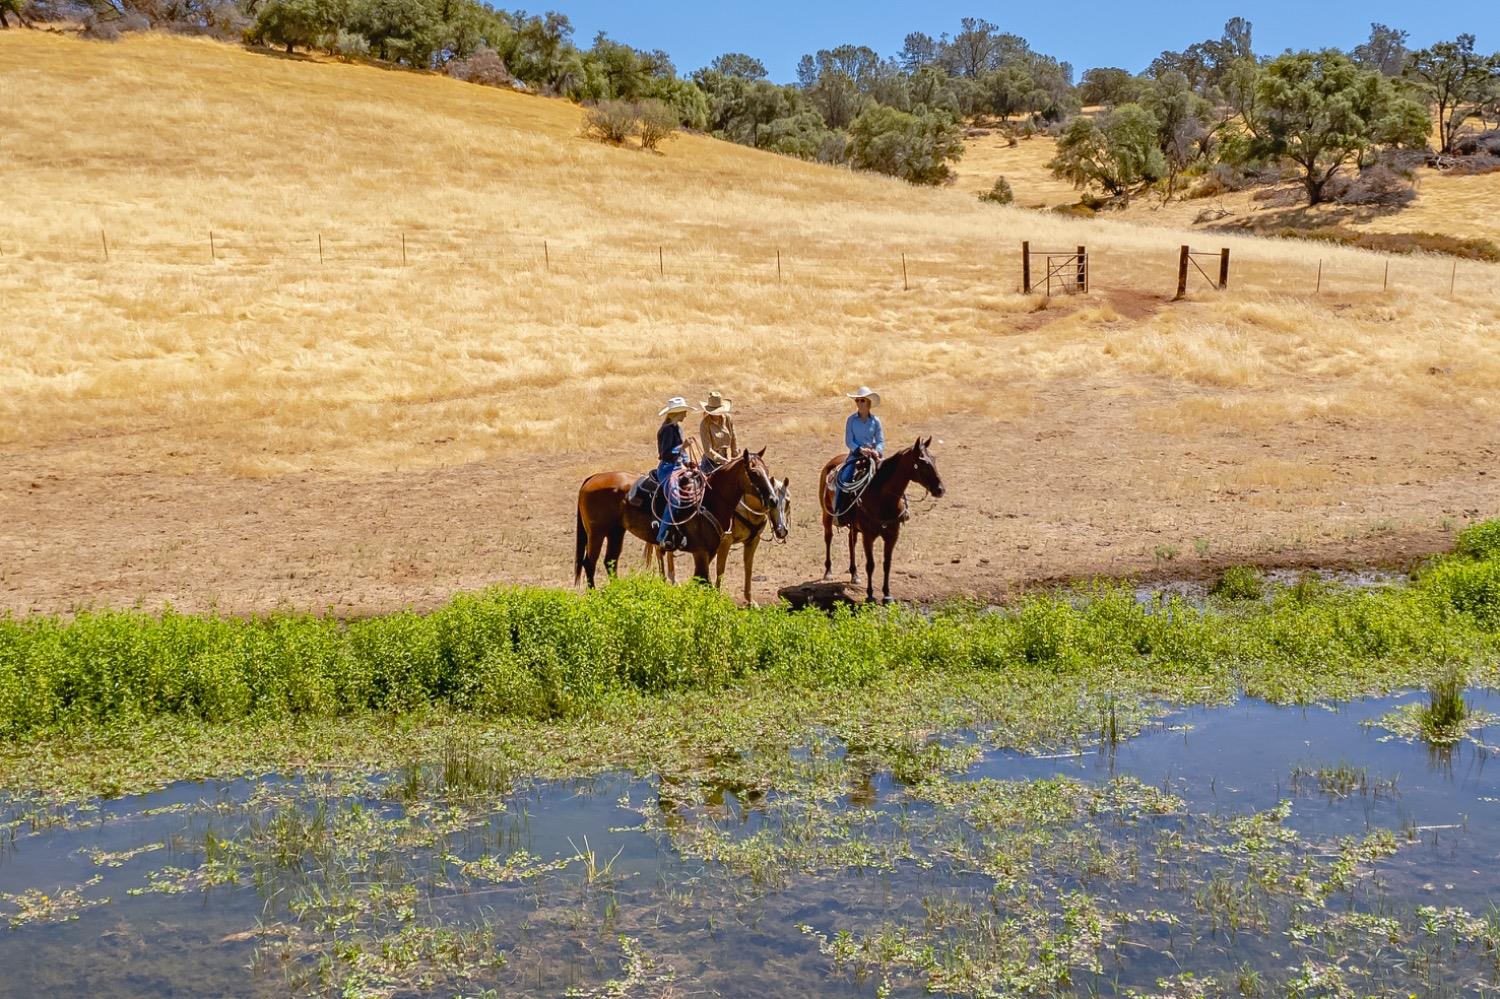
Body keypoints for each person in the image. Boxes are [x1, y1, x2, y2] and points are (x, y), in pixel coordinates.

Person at [833, 386, 884, 525]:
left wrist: (876, 451)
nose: (859, 403)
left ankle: (900, 508)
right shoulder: (851, 420)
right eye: (857, 401)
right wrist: (860, 450)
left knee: (890, 475)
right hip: (856, 456)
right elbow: (849, 440)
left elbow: (880, 441)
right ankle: (838, 512)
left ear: (868, 403)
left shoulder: (876, 421)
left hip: (873, 456)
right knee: (843, 479)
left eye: (862, 401)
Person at [652, 396, 697, 549]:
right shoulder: (666, 430)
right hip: (667, 469)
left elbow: (679, 454)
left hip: (678, 466)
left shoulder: (677, 428)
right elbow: (665, 454)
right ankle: (662, 535)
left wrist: (687, 461)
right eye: (683, 412)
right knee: (675, 499)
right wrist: (682, 448)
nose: (685, 415)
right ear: (676, 413)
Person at [698, 390, 738, 472]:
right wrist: (722, 460)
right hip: (710, 461)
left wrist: (735, 453)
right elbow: (708, 450)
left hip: (725, 456)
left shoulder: (727, 418)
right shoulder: (704, 424)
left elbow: (733, 437)